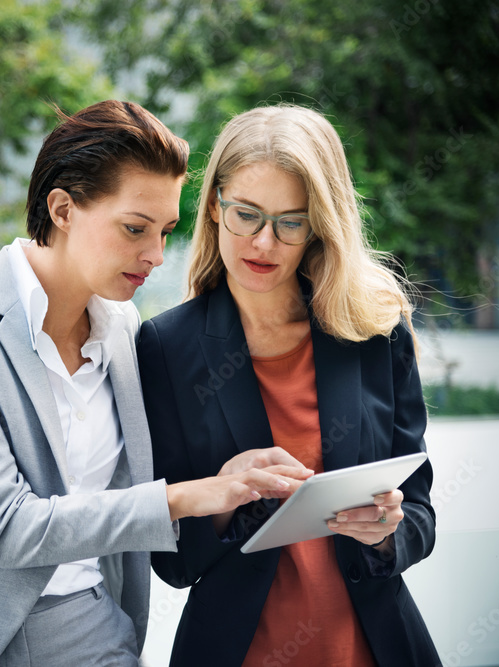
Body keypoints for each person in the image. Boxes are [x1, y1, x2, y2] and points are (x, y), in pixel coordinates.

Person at [0, 100, 310, 667]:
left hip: (92, 629)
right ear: (63, 208)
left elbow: (126, 489)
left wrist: (223, 483)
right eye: (134, 229)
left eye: (166, 231)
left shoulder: (124, 329)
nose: (156, 256)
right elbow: (7, 528)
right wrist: (186, 497)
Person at [137, 103, 440, 666]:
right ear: (213, 206)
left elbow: (419, 513)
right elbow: (172, 563)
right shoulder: (163, 348)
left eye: (290, 222)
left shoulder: (374, 331)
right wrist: (224, 496)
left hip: (373, 648)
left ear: (319, 225)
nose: (264, 244)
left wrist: (388, 532)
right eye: (246, 215)